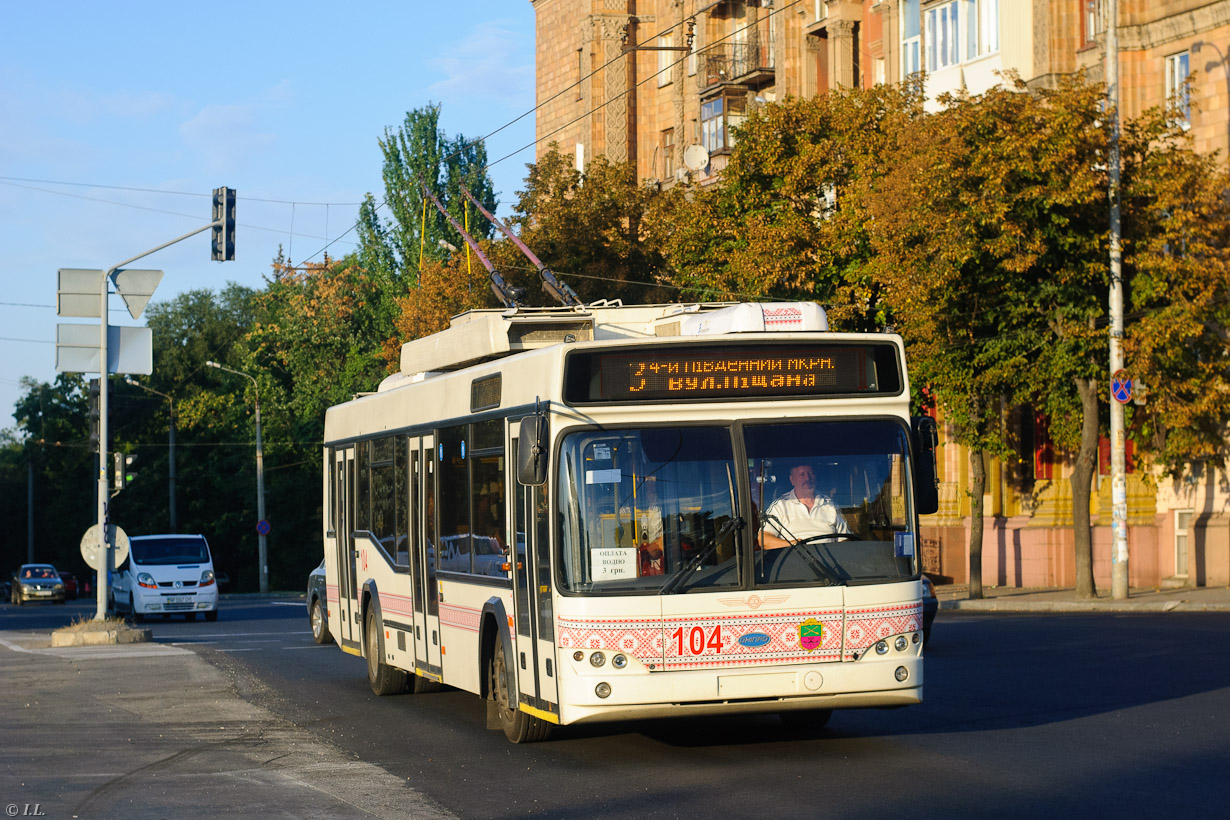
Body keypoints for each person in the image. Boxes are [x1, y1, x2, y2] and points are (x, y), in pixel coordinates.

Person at [760, 463, 850, 549]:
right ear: (792, 480)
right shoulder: (780, 506)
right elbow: (764, 539)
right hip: (794, 562)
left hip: (829, 563)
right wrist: (793, 545)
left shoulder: (830, 504)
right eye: (802, 474)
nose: (807, 478)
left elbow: (846, 539)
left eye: (811, 473)